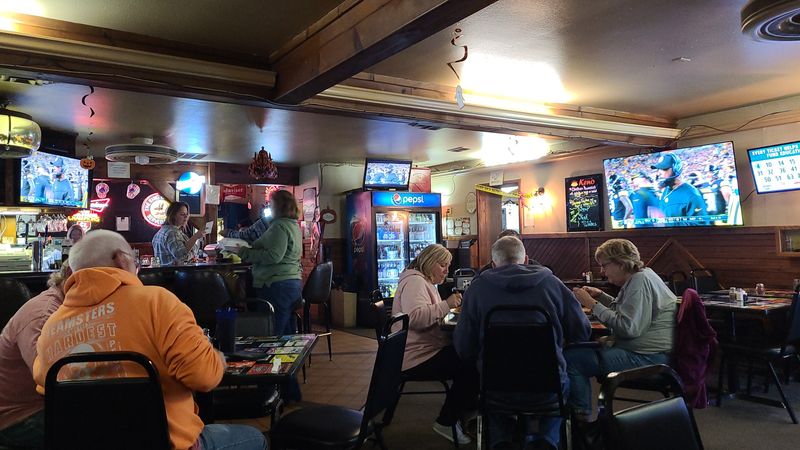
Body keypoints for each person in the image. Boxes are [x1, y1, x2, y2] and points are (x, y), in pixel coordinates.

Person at [32, 230, 266, 450]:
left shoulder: (51, 326)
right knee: (256, 438)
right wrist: (217, 359)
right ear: (123, 260)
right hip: (166, 442)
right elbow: (203, 377)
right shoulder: (156, 301)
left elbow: (47, 390)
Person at [455, 237, 590, 450]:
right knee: (558, 386)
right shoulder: (552, 283)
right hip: (547, 388)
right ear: (526, 260)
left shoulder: (477, 289)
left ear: (492, 264)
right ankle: (543, 438)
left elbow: (464, 346)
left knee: (494, 392)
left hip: (496, 388)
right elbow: (581, 332)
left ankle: (501, 440)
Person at [566, 238, 676, 425]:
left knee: (572, 360)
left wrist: (592, 304)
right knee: (575, 352)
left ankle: (581, 422)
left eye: (604, 266)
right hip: (652, 352)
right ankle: (579, 418)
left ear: (620, 263)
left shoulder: (639, 282)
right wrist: (601, 296)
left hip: (648, 357)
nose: (602, 271)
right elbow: (626, 311)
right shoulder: (644, 275)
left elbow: (628, 328)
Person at [391, 243, 478, 445]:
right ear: (429, 263)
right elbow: (416, 318)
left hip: (423, 348)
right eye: (442, 266)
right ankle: (447, 421)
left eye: (448, 266)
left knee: (470, 356)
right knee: (472, 365)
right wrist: (446, 304)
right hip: (416, 355)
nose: (446, 271)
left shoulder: (423, 282)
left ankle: (461, 415)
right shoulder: (415, 282)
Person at [0, 262, 70, 449]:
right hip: (17, 418)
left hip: (33, 407)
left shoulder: (64, 306)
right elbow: (52, 382)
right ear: (71, 275)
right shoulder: (44, 314)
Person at [237, 190, 301, 336]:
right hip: (291, 283)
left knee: (271, 334)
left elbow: (273, 256)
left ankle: (270, 359)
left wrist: (244, 252)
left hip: (276, 284)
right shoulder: (293, 224)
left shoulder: (279, 226)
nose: (268, 206)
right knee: (286, 336)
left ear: (279, 206)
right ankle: (287, 359)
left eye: (270, 203)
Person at [651, 153, 707, 224]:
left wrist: (666, 223)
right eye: (658, 169)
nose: (658, 173)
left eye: (663, 169)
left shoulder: (692, 195)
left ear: (675, 169)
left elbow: (700, 225)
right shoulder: (666, 190)